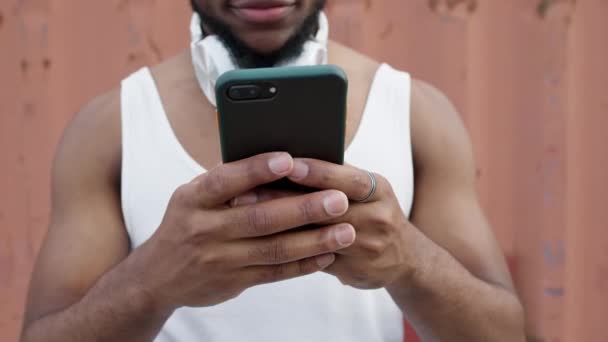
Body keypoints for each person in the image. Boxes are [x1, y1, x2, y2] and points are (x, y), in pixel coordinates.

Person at [20, 1, 525, 341]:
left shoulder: (416, 112)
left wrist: (410, 262)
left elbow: (504, 332)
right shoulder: (111, 128)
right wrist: (153, 282)